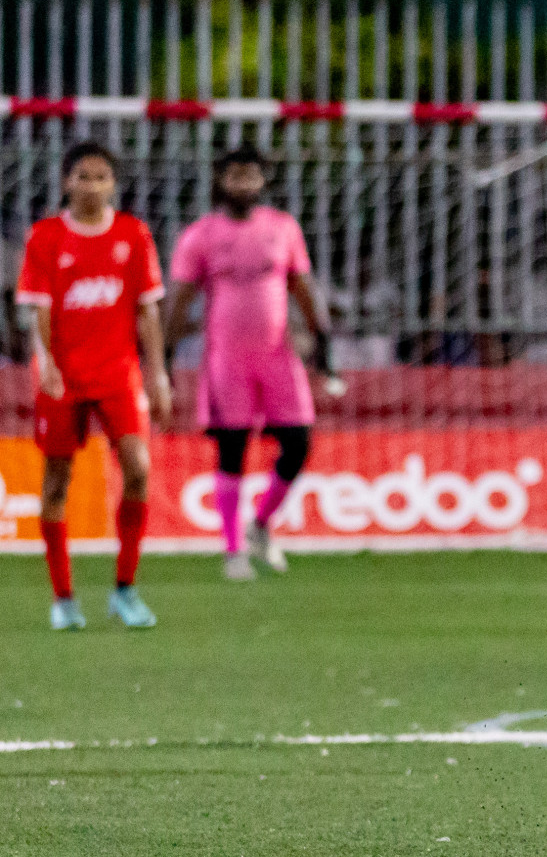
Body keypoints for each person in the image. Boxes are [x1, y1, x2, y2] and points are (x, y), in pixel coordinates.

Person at [16, 141, 171, 630]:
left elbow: (147, 309)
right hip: (64, 375)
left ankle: (125, 590)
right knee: (56, 481)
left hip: (119, 373)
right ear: (66, 182)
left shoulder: (133, 234)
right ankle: (63, 598)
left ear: (114, 184)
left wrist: (159, 373)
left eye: (102, 177)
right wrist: (47, 365)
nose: (92, 185)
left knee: (139, 468)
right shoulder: (45, 237)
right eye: (83, 176)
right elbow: (40, 307)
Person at [165, 144, 330, 581]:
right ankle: (233, 549)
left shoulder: (282, 228)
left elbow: (303, 286)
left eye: (251, 175)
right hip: (226, 361)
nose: (243, 183)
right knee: (232, 450)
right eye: (235, 175)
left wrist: (323, 338)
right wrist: (163, 355)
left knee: (298, 442)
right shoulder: (200, 235)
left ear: (263, 181)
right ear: (220, 181)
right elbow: (179, 300)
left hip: (278, 356)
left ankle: (261, 524)